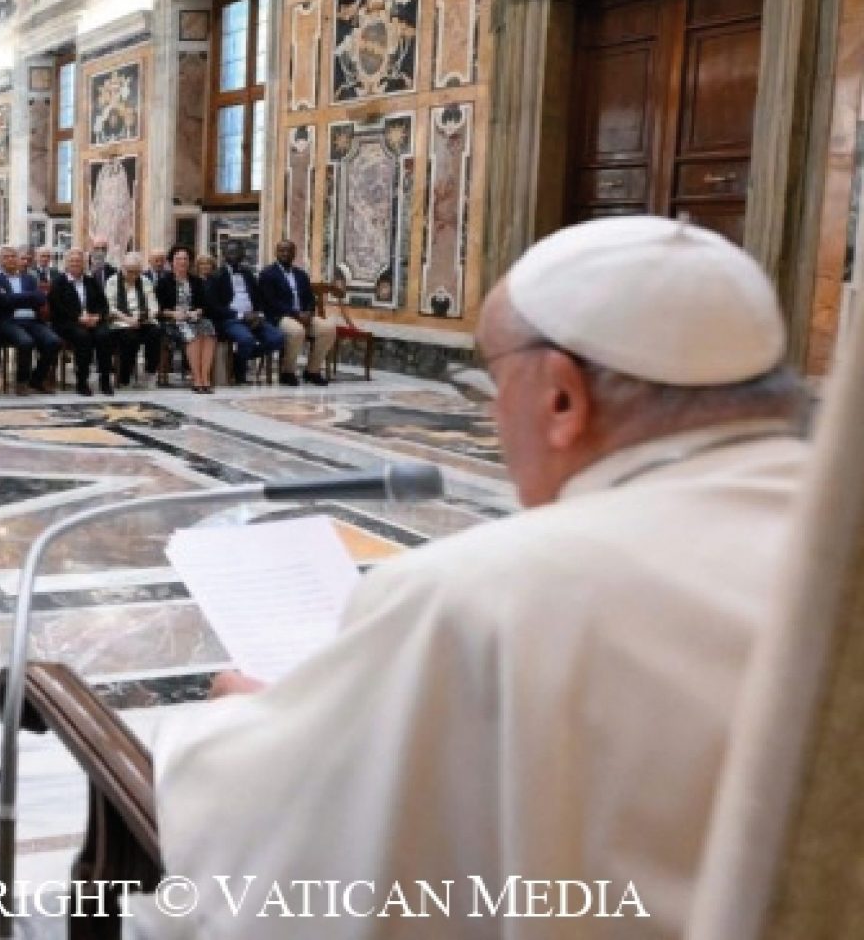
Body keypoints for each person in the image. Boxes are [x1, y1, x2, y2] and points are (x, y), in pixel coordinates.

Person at [144, 216, 812, 939]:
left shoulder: (479, 596)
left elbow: (280, 866)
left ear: (561, 399)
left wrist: (250, 727)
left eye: (490, 388)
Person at [259, 237, 338, 387]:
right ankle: (287, 372)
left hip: (304, 316)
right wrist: (296, 314)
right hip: (280, 317)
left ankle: (312, 371)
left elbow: (310, 298)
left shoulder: (301, 274)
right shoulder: (267, 274)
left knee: (328, 329)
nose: (285, 253)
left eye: (289, 251)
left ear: (294, 253)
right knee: (296, 331)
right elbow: (271, 302)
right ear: (276, 253)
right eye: (282, 250)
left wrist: (309, 312)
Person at [207, 238, 282, 384]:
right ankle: (240, 371)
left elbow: (259, 297)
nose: (234, 255)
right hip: (230, 319)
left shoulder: (248, 274)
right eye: (231, 252)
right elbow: (214, 306)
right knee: (246, 340)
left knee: (277, 338)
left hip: (254, 318)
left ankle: (239, 358)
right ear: (224, 255)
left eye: (238, 252)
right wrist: (241, 315)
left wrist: (259, 314)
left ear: (243, 254)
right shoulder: (215, 276)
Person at [0, 245, 60, 396]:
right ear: (0, 261)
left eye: (13, 256)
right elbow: (4, 301)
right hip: (8, 322)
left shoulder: (29, 278)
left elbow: (40, 299)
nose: (11, 259)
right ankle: (22, 381)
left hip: (32, 320)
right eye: (6, 257)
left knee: (53, 341)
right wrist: (28, 297)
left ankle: (37, 379)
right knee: (26, 342)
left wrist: (14, 298)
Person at [48, 248, 112, 396]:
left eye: (79, 261)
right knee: (83, 337)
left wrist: (97, 317)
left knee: (104, 335)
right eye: (72, 261)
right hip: (67, 322)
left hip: (92, 320)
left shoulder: (91, 281)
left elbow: (103, 304)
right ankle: (82, 381)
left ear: (84, 263)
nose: (76, 264)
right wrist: (78, 318)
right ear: (66, 263)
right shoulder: (59, 282)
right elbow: (57, 307)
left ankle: (105, 380)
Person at [156, 246, 215, 393]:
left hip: (193, 317)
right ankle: (197, 379)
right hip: (173, 320)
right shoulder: (164, 281)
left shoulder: (196, 281)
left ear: (189, 262)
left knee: (208, 331)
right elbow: (158, 309)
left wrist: (197, 312)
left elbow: (204, 305)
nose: (182, 262)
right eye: (178, 259)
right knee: (193, 335)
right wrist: (173, 313)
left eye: (185, 259)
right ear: (172, 262)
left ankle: (205, 377)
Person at [105, 251, 161, 389]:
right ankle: (125, 376)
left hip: (142, 320)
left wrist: (144, 317)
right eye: (130, 272)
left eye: (137, 272)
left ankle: (150, 372)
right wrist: (127, 319)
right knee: (130, 337)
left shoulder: (145, 281)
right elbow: (109, 306)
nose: (133, 276)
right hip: (120, 321)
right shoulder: (112, 281)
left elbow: (153, 306)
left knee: (156, 332)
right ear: (122, 268)